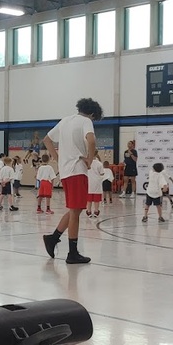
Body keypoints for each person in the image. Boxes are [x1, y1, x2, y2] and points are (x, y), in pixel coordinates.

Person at [42, 97, 103, 264]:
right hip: (77, 170)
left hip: (66, 171)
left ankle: (53, 238)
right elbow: (91, 141)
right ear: (91, 113)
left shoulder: (65, 121)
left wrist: (57, 158)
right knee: (76, 212)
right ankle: (72, 253)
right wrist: (90, 160)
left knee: (75, 210)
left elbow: (46, 140)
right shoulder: (86, 121)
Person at [86, 151, 104, 218]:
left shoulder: (87, 162)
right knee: (96, 199)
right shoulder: (99, 163)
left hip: (89, 182)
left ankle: (89, 211)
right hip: (97, 182)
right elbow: (102, 173)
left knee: (89, 199)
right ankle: (96, 211)